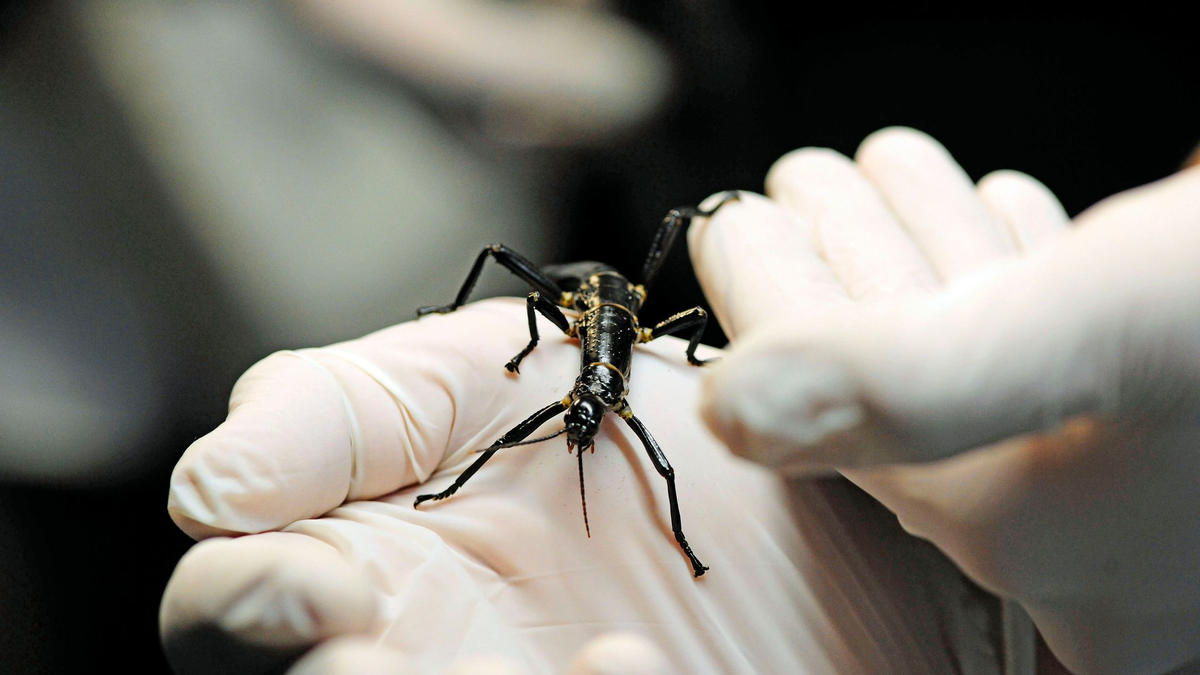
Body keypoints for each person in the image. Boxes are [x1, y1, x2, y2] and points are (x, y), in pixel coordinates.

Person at [160, 127, 1200, 675]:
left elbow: (660, 445)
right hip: (623, 280)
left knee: (667, 417)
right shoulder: (572, 333)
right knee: (509, 274)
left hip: (997, 233)